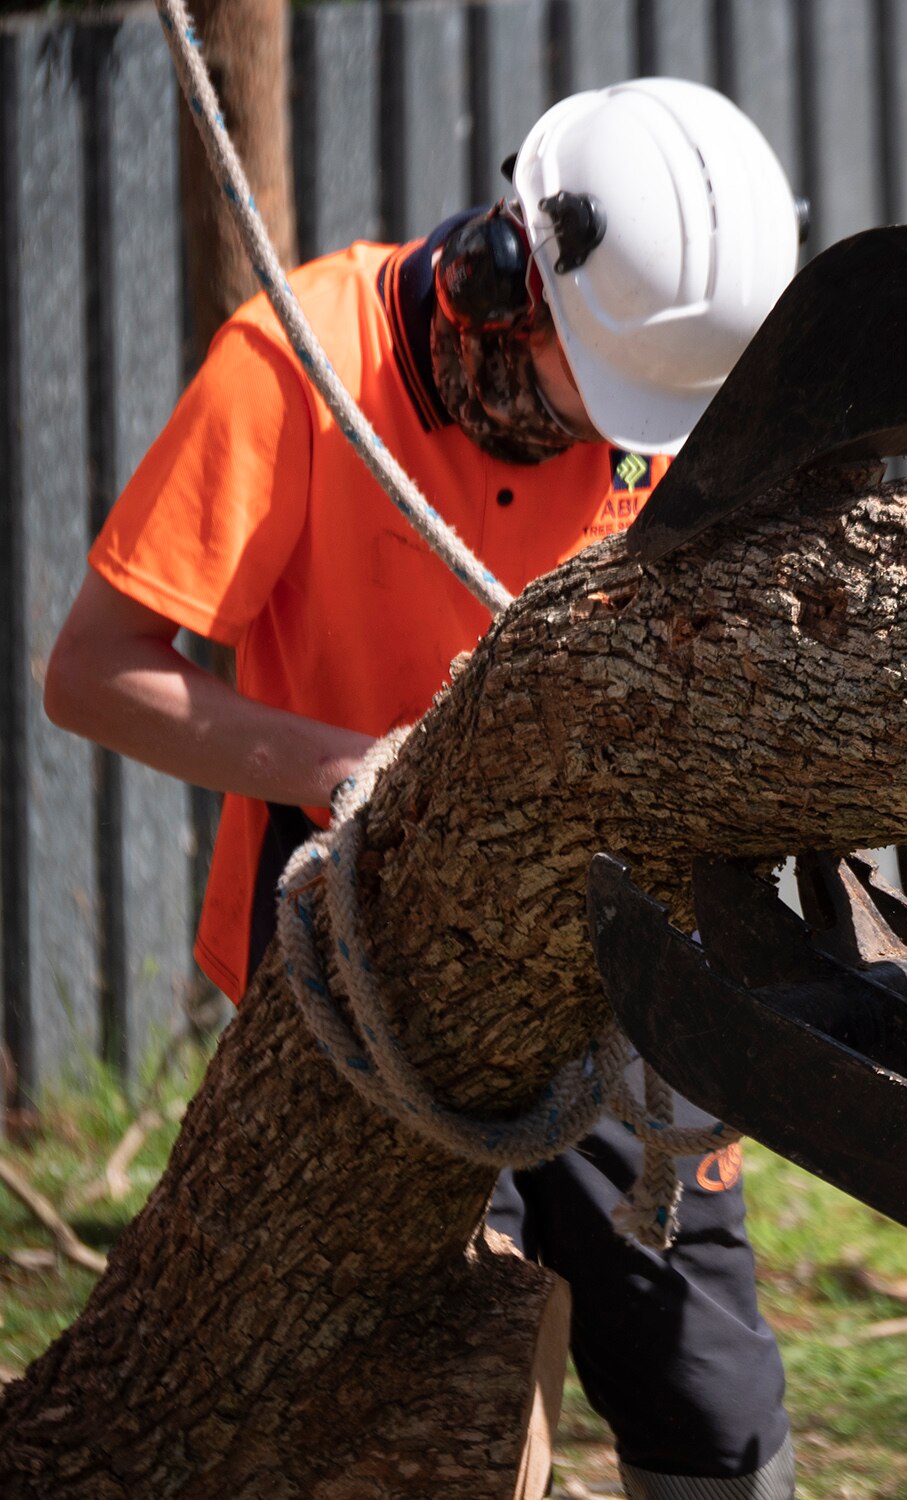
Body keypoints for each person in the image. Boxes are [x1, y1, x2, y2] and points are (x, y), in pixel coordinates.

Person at [44, 78, 800, 1500]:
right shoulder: (299, 369)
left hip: (603, 925)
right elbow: (91, 674)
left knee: (706, 1386)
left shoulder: (661, 397)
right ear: (499, 281)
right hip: (364, 942)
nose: (613, 456)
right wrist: (340, 769)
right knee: (438, 1378)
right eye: (593, 415)